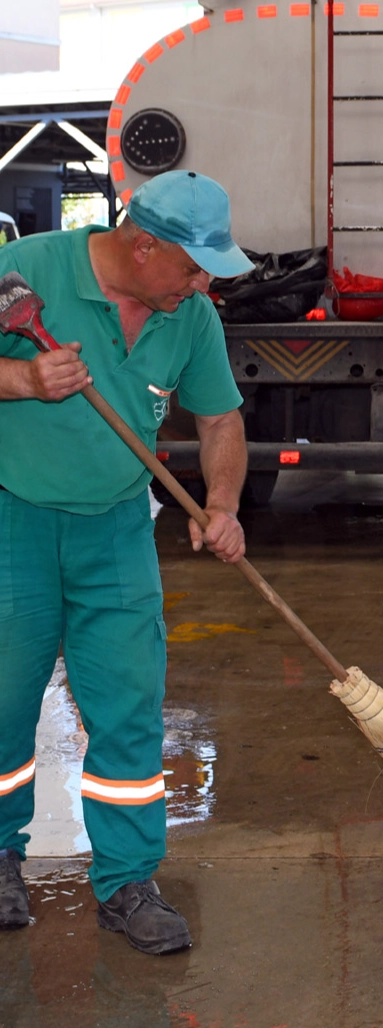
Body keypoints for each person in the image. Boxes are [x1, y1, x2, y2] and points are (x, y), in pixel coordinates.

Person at [0, 170, 253, 953]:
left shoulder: (190, 317)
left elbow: (219, 421)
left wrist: (221, 504)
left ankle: (127, 882)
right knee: (3, 703)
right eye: (193, 265)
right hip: (14, 519)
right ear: (143, 246)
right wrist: (22, 379)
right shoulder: (29, 271)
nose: (204, 282)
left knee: (129, 707)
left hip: (115, 528)